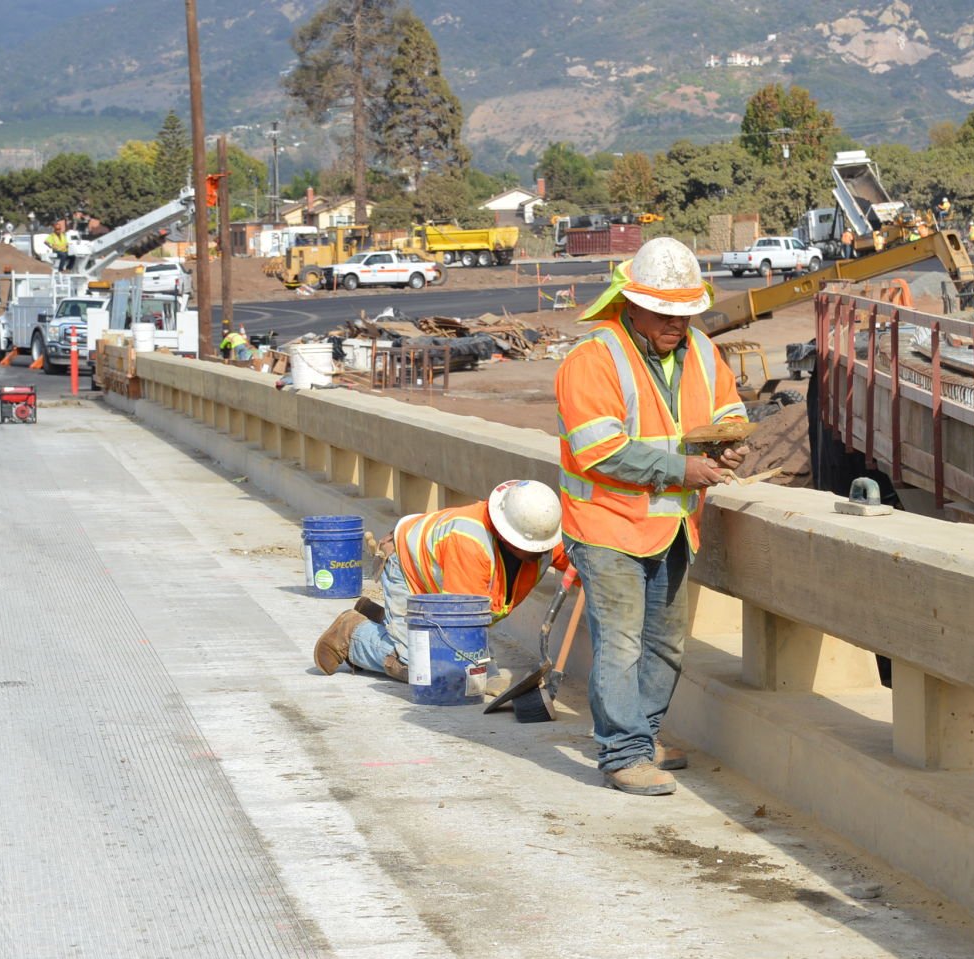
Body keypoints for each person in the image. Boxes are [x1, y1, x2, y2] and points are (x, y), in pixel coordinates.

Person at [554, 237, 749, 797]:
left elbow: (728, 408)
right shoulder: (592, 360)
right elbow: (601, 450)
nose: (677, 323)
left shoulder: (703, 352)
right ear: (630, 304)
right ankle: (622, 754)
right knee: (620, 643)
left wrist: (729, 442)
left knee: (665, 643)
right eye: (665, 313)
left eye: (686, 312)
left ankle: (644, 735)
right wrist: (681, 470)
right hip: (607, 525)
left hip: (672, 528)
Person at [312, 480, 567, 682]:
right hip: (408, 570)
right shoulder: (470, 544)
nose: (539, 553)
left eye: (543, 547)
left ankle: (383, 619)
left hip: (438, 584)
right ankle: (352, 633)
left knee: (450, 664)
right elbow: (463, 624)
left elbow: (578, 564)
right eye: (529, 547)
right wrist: (483, 671)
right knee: (427, 669)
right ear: (506, 534)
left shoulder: (540, 534)